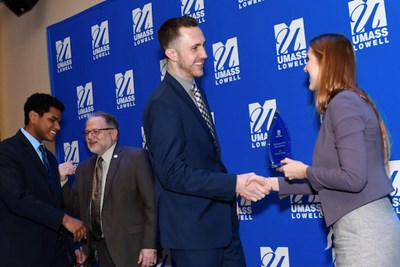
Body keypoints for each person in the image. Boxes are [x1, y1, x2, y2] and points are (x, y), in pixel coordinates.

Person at [142, 16, 269, 267]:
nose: (205, 54)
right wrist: (233, 184)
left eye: (203, 45)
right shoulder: (163, 103)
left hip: (221, 228)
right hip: (194, 238)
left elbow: (205, 161)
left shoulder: (194, 93)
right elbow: (172, 173)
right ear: (172, 54)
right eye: (194, 48)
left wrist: (227, 198)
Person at [265, 33, 400, 266]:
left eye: (309, 60)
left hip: (364, 234)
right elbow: (332, 182)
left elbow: (353, 179)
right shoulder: (348, 102)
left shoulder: (343, 104)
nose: (305, 68)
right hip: (362, 230)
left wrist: (306, 171)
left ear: (326, 63)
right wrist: (269, 184)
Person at [0, 93, 87, 267]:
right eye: (52, 120)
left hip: (54, 256)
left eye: (59, 122)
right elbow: (17, 199)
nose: (58, 127)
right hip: (24, 256)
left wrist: (71, 249)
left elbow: (54, 205)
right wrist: (65, 219)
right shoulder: (7, 151)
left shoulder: (50, 157)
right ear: (33, 116)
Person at [61, 111, 157, 267]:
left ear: (113, 133)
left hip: (132, 249)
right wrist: (63, 181)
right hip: (99, 250)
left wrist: (149, 245)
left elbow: (151, 205)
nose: (90, 137)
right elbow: (76, 207)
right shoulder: (84, 169)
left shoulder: (136, 158)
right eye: (87, 133)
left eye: (96, 131)